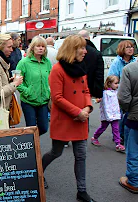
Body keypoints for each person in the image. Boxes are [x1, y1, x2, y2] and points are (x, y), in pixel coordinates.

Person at [42, 35, 96, 202]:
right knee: (56, 152)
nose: (85, 51)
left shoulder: (81, 67)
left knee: (81, 155)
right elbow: (57, 98)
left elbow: (86, 91)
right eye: (82, 48)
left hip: (81, 118)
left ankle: (82, 191)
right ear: (72, 49)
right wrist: (77, 112)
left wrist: (87, 108)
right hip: (65, 120)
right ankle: (37, 171)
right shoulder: (57, 69)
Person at [16, 36, 51, 135]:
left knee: (43, 127)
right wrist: (27, 92)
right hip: (28, 101)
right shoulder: (24, 62)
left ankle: (31, 140)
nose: (41, 48)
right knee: (31, 129)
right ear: (32, 47)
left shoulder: (47, 62)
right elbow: (16, 80)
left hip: (43, 100)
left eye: (43, 46)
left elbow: (51, 78)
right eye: (38, 46)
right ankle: (31, 145)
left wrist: (49, 91)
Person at [107, 40, 136, 145]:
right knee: (118, 116)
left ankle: (124, 135)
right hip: (119, 93)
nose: (131, 49)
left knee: (129, 115)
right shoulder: (117, 62)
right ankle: (118, 136)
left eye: (132, 47)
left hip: (133, 94)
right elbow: (111, 79)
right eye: (128, 47)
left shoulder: (135, 61)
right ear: (122, 49)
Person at [118, 61, 138, 194]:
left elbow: (123, 97)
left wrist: (126, 110)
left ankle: (134, 181)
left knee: (134, 149)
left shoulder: (130, 69)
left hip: (136, 115)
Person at [91, 75, 125, 152]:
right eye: (116, 83)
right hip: (107, 115)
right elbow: (105, 105)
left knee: (116, 129)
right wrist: (108, 115)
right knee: (103, 127)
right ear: (109, 83)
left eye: (118, 83)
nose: (118, 85)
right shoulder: (105, 93)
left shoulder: (116, 92)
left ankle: (118, 144)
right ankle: (95, 137)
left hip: (115, 114)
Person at [78, 30, 104, 99]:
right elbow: (99, 75)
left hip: (76, 89)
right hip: (89, 88)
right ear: (89, 38)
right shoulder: (96, 53)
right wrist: (98, 94)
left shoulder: (74, 51)